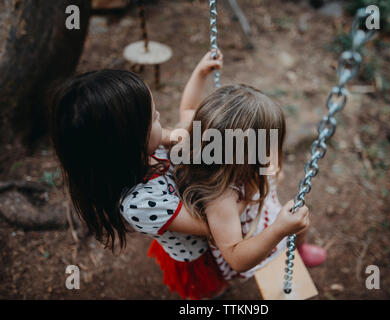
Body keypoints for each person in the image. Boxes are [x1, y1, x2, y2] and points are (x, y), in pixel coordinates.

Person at [50, 51, 229, 299]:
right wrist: (241, 188)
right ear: (130, 141)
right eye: (154, 119)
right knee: (208, 291)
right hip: (195, 257)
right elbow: (211, 225)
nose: (160, 120)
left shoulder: (146, 151)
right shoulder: (141, 204)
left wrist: (200, 75)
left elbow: (186, 116)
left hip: (198, 235)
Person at [174, 84, 326, 281]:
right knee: (293, 229)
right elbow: (236, 258)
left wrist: (202, 74)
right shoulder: (221, 199)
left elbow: (187, 109)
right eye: (267, 146)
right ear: (243, 157)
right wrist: (279, 229)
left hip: (263, 212)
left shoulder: (241, 163)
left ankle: (299, 250)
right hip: (253, 237)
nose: (271, 153)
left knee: (301, 227)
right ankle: (288, 248)